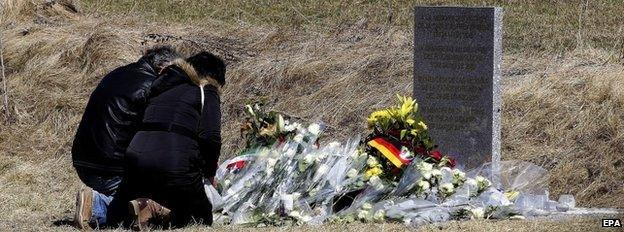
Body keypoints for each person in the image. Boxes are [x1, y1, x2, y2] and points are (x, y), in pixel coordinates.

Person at [107, 51, 225, 230]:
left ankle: (94, 204)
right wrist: (209, 171)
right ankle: (155, 212)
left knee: (121, 215)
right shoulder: (206, 91)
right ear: (213, 77)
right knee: (200, 218)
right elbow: (210, 137)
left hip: (135, 159)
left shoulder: (161, 88)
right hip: (174, 162)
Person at [71, 46, 181, 229]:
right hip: (111, 168)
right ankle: (97, 206)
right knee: (160, 208)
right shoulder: (153, 86)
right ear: (165, 70)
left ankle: (97, 202)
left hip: (84, 161)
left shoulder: (116, 74)